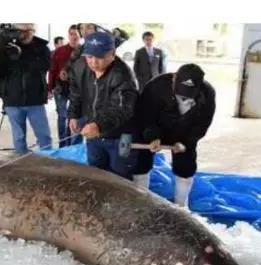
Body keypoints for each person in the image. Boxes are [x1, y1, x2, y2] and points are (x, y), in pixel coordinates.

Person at [133, 64, 216, 207]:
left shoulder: (207, 93)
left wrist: (186, 142)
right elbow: (145, 116)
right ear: (174, 79)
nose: (183, 96)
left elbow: (203, 124)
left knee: (186, 166)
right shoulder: (156, 86)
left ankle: (181, 206)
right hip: (156, 127)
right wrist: (152, 136)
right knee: (140, 163)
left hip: (185, 132)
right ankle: (141, 204)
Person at [68, 32, 138, 180]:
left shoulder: (123, 75)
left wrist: (98, 125)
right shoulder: (80, 67)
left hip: (119, 135)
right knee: (95, 172)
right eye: (89, 57)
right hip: (94, 134)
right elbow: (76, 94)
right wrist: (73, 115)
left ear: (112, 53)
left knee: (120, 177)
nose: (93, 62)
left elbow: (122, 109)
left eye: (99, 57)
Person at [0, 23, 52, 154]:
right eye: (21, 30)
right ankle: (21, 163)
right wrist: (1, 55)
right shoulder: (6, 48)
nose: (25, 34)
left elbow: (45, 65)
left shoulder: (41, 47)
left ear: (34, 31)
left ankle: (49, 162)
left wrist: (22, 56)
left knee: (44, 136)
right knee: (19, 138)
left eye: (29, 30)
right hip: (12, 100)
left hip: (35, 100)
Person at [48, 25, 81, 147]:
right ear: (68, 35)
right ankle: (63, 144)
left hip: (78, 91)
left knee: (76, 117)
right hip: (61, 89)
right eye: (72, 34)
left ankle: (75, 145)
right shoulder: (60, 51)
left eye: (77, 34)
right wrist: (50, 88)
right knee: (62, 117)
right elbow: (52, 70)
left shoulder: (84, 51)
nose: (74, 37)